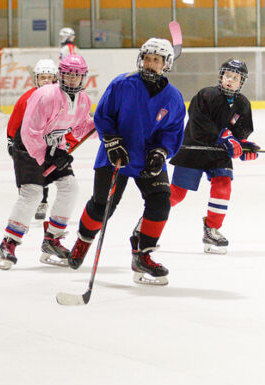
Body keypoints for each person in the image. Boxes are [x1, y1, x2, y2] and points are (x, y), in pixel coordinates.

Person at [66, 38, 185, 286]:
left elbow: (172, 130)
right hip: (115, 156)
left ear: (166, 64)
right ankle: (84, 240)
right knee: (102, 207)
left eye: (156, 60)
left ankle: (143, 255)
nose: (150, 64)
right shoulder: (122, 84)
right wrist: (110, 140)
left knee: (161, 201)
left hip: (147, 160)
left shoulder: (173, 98)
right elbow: (103, 115)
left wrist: (161, 151)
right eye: (148, 58)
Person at [0, 54, 93, 270]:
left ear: (84, 78)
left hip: (54, 148)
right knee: (33, 193)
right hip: (28, 148)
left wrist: (103, 124)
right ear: (60, 76)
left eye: (77, 76)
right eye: (68, 75)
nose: (72, 80)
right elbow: (30, 132)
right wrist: (47, 156)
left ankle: (52, 240)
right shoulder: (45, 95)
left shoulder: (83, 100)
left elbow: (80, 128)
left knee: (70, 187)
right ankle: (7, 244)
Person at [169, 59, 259, 254]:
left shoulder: (243, 104)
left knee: (223, 184)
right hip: (195, 148)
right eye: (227, 75)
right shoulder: (205, 95)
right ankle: (149, 219)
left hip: (219, 153)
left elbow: (242, 130)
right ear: (221, 76)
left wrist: (242, 146)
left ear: (241, 82)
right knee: (176, 194)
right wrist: (224, 137)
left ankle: (212, 229)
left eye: (235, 78)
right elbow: (198, 124)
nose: (230, 80)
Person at [5, 59, 59, 222]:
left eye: (50, 77)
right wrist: (10, 139)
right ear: (36, 79)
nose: (46, 81)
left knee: (45, 171)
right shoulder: (27, 98)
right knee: (31, 173)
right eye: (43, 77)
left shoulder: (60, 97)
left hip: (48, 142)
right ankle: (32, 201)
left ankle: (42, 200)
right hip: (27, 143)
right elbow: (15, 120)